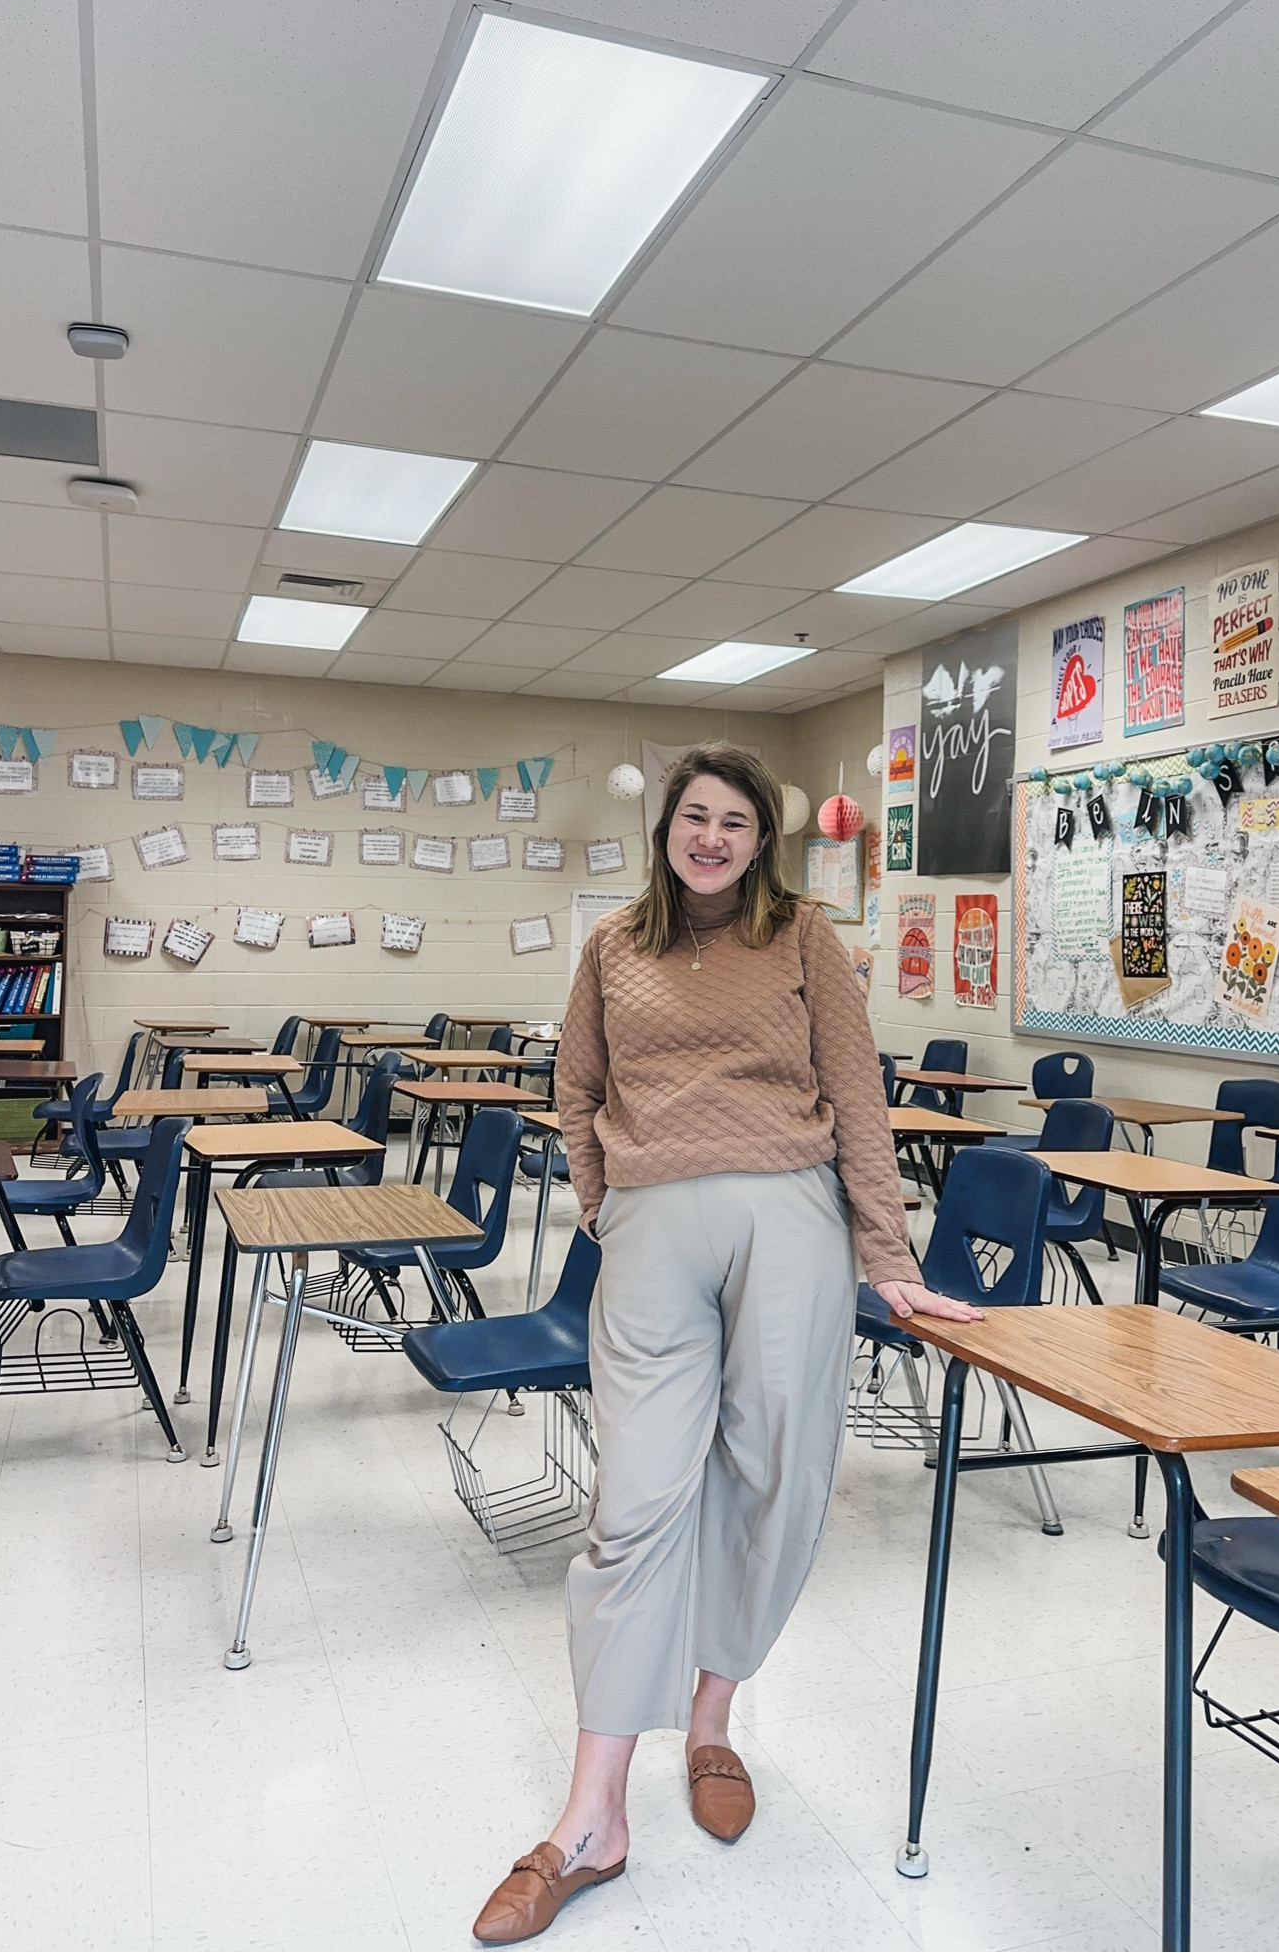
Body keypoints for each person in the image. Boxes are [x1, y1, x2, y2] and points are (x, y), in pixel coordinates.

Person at [474, 744, 981, 1944]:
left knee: (773, 1472)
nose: (712, 838)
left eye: (735, 823)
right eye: (694, 817)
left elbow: (856, 1095)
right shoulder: (613, 946)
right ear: (666, 829)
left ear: (763, 842)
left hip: (792, 1219)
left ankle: (711, 1723)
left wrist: (888, 1259)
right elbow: (575, 1085)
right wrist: (604, 1204)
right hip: (651, 1227)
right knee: (634, 1499)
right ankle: (592, 1818)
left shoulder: (803, 936)